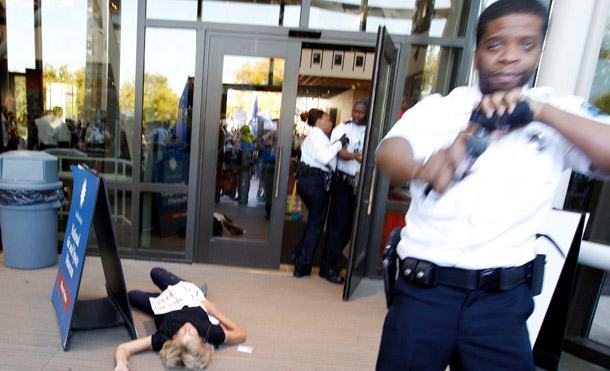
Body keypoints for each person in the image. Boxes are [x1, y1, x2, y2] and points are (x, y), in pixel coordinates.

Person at [374, 0, 610, 369]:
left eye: (526, 45)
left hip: (501, 304)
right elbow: (389, 152)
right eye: (496, 45)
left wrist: (541, 114)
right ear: (477, 53)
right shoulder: (441, 108)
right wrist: (424, 168)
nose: (509, 57)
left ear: (539, 51)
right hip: (424, 293)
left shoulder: (557, 111)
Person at [114, 267, 246, 371]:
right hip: (189, 296)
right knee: (156, 272)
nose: (187, 328)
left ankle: (166, 292)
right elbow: (240, 334)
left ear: (174, 338)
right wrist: (215, 312)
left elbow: (125, 348)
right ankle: (198, 290)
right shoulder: (210, 333)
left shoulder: (164, 338)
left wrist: (121, 364)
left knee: (130, 296)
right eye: (191, 334)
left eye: (183, 333)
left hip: (163, 305)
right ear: (200, 340)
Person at [292, 109, 349, 281]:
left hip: (310, 181)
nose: (331, 123)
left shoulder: (316, 136)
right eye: (328, 120)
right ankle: (301, 266)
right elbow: (325, 157)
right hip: (315, 182)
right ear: (319, 121)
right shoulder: (317, 136)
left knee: (313, 222)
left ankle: (298, 255)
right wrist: (339, 144)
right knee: (316, 225)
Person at [321, 98, 370, 284]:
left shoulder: (371, 128)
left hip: (361, 183)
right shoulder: (343, 128)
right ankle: (327, 266)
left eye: (361, 112)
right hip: (343, 182)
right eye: (355, 111)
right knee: (338, 225)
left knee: (350, 227)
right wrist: (354, 157)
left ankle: (330, 260)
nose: (357, 115)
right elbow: (338, 151)